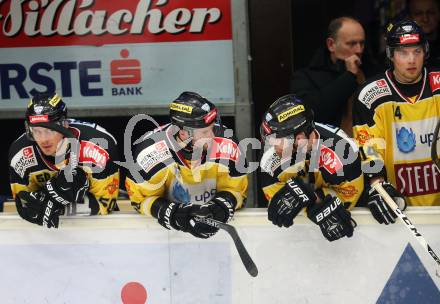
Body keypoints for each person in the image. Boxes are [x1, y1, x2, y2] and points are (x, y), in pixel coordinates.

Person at [125, 91, 248, 238]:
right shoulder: (148, 153)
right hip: (165, 236)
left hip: (216, 233)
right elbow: (140, 200)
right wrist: (171, 213)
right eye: (204, 132)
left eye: (212, 128)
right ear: (183, 134)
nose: (213, 136)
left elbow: (238, 191)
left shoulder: (227, 143)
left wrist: (220, 207)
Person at [353, 19, 440, 225]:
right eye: (403, 53)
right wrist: (377, 186)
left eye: (416, 51)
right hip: (398, 208)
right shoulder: (371, 95)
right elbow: (369, 148)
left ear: (425, 52)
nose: (411, 60)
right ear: (391, 55)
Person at [259, 94, 363, 242]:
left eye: (278, 139)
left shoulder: (344, 151)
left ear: (300, 138)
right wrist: (312, 199)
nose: (272, 146)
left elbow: (351, 196)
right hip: (296, 239)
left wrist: (313, 196)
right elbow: (277, 203)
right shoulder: (271, 157)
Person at [9, 93, 120, 228]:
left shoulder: (99, 146)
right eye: (37, 131)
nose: (43, 139)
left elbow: (106, 204)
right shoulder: (19, 154)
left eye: (50, 130)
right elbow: (24, 204)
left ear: (64, 125)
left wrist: (54, 206)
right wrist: (50, 202)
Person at [291, 16, 372, 136]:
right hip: (330, 149)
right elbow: (312, 113)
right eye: (351, 44)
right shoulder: (305, 77)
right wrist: (349, 76)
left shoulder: (372, 71)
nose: (359, 50)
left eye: (362, 43)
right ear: (331, 45)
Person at [407, 0, 440, 67]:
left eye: (431, 13)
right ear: (409, 17)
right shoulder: (399, 50)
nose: (425, 19)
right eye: (418, 13)